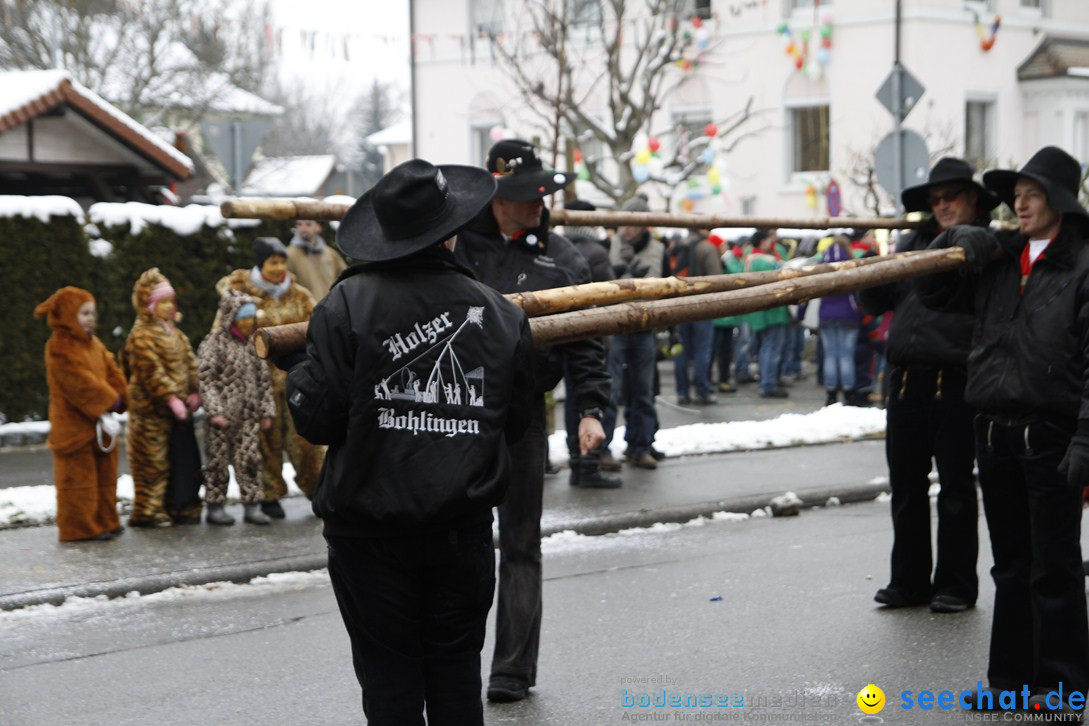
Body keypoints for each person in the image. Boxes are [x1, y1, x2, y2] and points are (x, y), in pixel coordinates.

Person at [285, 159, 535, 724]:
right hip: (460, 530)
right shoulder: (499, 313)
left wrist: (301, 368)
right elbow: (514, 422)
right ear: (449, 230)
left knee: (389, 683)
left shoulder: (343, 307)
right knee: (455, 679)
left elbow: (317, 420)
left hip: (369, 535)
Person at [917, 146, 1089, 715]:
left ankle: (1061, 688)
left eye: (1031, 194)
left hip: (1052, 435)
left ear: (1059, 201)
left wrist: (1087, 440)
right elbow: (932, 293)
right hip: (994, 431)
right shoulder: (1000, 257)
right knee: (1010, 565)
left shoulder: (1082, 264)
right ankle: (1010, 683)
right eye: (1016, 194)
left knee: (1054, 568)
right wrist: (952, 243)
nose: (1019, 203)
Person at [454, 138, 610, 702]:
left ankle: (513, 670)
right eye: (526, 197)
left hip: (522, 415)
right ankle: (452, 663)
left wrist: (590, 411)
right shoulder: (453, 247)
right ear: (497, 196)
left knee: (520, 544)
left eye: (541, 195)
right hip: (458, 414)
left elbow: (586, 342)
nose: (537, 205)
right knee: (459, 543)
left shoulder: (563, 258)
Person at [860, 157, 995, 614]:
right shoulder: (911, 244)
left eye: (951, 197)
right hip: (903, 384)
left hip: (955, 382)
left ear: (973, 199)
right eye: (935, 200)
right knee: (906, 487)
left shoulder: (985, 246)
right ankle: (909, 581)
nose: (942, 206)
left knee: (956, 488)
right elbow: (879, 304)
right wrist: (867, 273)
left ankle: (956, 585)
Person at [217, 238, 323, 518]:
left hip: (298, 378)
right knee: (265, 441)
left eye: (282, 262)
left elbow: (319, 329)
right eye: (272, 262)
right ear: (260, 264)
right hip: (258, 384)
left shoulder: (300, 295)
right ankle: (270, 494)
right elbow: (225, 335)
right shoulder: (242, 295)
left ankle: (316, 486)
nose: (279, 268)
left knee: (306, 440)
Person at [35, 287, 128, 542]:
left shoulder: (94, 344)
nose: (90, 318)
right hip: (74, 428)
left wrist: (121, 394)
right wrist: (110, 400)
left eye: (92, 313)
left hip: (99, 423)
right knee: (79, 480)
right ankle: (80, 527)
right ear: (67, 315)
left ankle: (106, 519)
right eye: (84, 313)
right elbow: (77, 381)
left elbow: (111, 370)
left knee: (105, 477)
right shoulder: (58, 346)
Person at [120, 268, 203, 528]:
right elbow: (150, 371)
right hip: (150, 414)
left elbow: (191, 365)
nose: (168, 307)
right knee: (152, 464)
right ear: (148, 305)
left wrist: (195, 391)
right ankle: (148, 509)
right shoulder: (141, 335)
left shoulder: (177, 335)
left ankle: (178, 505)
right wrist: (171, 398)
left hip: (176, 415)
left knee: (180, 461)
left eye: (170, 301)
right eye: (162, 302)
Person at [197, 290, 275, 526]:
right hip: (221, 418)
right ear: (231, 317)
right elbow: (205, 379)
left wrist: (266, 411)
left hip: (248, 416)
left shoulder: (254, 344)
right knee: (217, 463)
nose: (248, 323)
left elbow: (264, 380)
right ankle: (215, 504)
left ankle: (252, 504)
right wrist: (215, 411)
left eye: (251, 318)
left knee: (250, 460)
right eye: (243, 318)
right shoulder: (214, 343)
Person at [600, 192, 664, 470]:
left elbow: (668, 286)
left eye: (632, 224)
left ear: (643, 225)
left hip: (645, 324)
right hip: (615, 324)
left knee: (643, 390)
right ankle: (603, 448)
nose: (626, 229)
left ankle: (640, 445)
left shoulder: (660, 250)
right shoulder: (608, 246)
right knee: (610, 389)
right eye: (624, 223)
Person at [561, 198, 622, 488]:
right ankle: (590, 464)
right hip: (594, 339)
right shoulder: (596, 252)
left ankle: (576, 462)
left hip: (563, 336)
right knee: (593, 400)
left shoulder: (558, 248)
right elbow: (610, 296)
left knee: (572, 401)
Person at [668, 226, 722, 405]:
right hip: (702, 307)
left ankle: (682, 392)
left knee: (682, 352)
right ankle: (702, 391)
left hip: (679, 307)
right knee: (702, 351)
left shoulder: (677, 246)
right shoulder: (706, 247)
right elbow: (716, 278)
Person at [744, 229, 790, 398]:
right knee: (772, 348)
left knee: (765, 348)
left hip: (758, 312)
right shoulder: (768, 261)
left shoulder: (750, 258)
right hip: (773, 311)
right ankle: (769, 384)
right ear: (763, 241)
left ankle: (766, 381)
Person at [816, 234, 861, 406]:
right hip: (848, 315)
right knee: (846, 356)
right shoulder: (851, 262)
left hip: (826, 314)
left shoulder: (822, 264)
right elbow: (858, 293)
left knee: (830, 355)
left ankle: (831, 394)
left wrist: (800, 315)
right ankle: (849, 393)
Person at [285, 218, 348, 300]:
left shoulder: (331, 254)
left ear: (318, 227)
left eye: (308, 224)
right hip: (305, 309)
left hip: (330, 308)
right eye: (299, 224)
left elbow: (345, 278)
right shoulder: (288, 254)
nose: (303, 228)